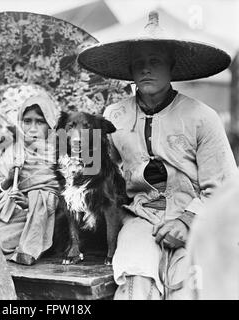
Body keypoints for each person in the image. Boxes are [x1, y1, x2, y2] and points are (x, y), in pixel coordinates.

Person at [77, 11, 238, 299]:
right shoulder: (114, 115)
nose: (146, 70)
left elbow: (225, 185)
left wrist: (187, 221)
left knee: (190, 280)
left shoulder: (202, 117)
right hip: (139, 216)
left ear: (171, 66)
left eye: (155, 61)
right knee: (135, 271)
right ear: (130, 70)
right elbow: (95, 172)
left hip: (196, 217)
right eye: (139, 63)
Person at [0, 93, 60, 266]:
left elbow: (64, 197)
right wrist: (8, 181)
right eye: (27, 121)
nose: (32, 128)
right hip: (4, 214)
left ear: (51, 125)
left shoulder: (60, 154)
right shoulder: (13, 151)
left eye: (40, 121)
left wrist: (30, 202)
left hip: (38, 222)